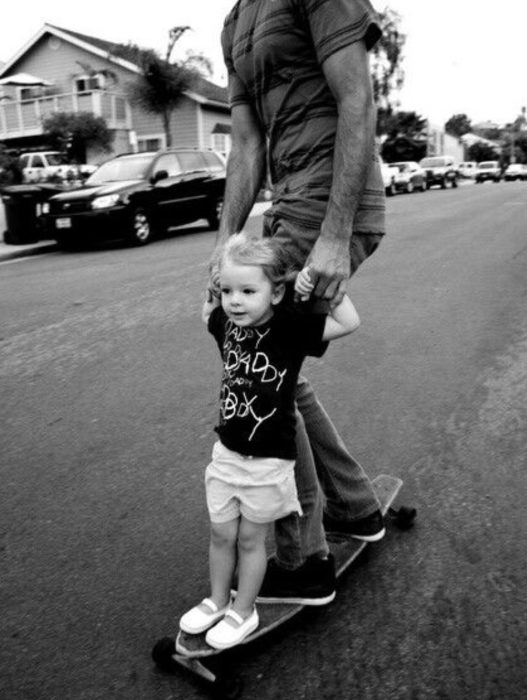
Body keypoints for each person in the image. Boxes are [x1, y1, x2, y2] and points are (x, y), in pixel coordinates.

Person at [212, 0, 387, 604]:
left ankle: (304, 557)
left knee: (260, 367)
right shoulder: (235, 25)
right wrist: (225, 248)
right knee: (277, 364)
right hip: (288, 201)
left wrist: (336, 237)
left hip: (329, 199)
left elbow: (357, 99)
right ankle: (356, 506)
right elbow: (246, 143)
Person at [180, 234, 360, 649]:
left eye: (247, 291)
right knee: (220, 535)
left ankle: (244, 611)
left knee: (249, 539)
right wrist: (214, 281)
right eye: (228, 291)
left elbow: (349, 323)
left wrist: (323, 285)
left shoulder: (290, 330)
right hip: (226, 453)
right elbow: (207, 310)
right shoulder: (225, 323)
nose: (235, 301)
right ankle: (216, 601)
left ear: (276, 291)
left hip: (268, 460)